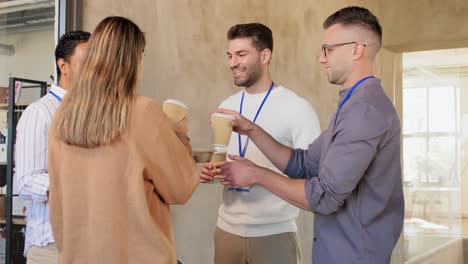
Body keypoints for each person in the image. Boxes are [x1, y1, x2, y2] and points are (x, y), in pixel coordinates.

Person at [217, 7, 404, 264]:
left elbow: (325, 196)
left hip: (354, 256)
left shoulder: (364, 112)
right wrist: (251, 129)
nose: (321, 58)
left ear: (357, 49)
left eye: (328, 49)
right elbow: (304, 163)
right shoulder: (351, 106)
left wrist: (256, 174)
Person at [48, 16, 198, 263]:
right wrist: (179, 133)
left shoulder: (63, 115)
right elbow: (181, 188)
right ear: (133, 59)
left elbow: (57, 201)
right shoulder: (143, 112)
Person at [200, 23, 320, 264]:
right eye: (230, 55)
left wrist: (257, 174)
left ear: (265, 56)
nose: (233, 62)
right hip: (226, 231)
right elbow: (223, 156)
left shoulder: (297, 108)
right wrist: (211, 169)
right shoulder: (227, 105)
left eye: (241, 54)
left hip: (274, 234)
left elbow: (315, 178)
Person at [16, 30, 90, 263]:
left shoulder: (93, 114)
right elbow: (26, 180)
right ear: (63, 66)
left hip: (89, 241)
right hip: (51, 245)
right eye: (86, 62)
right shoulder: (39, 113)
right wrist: (81, 181)